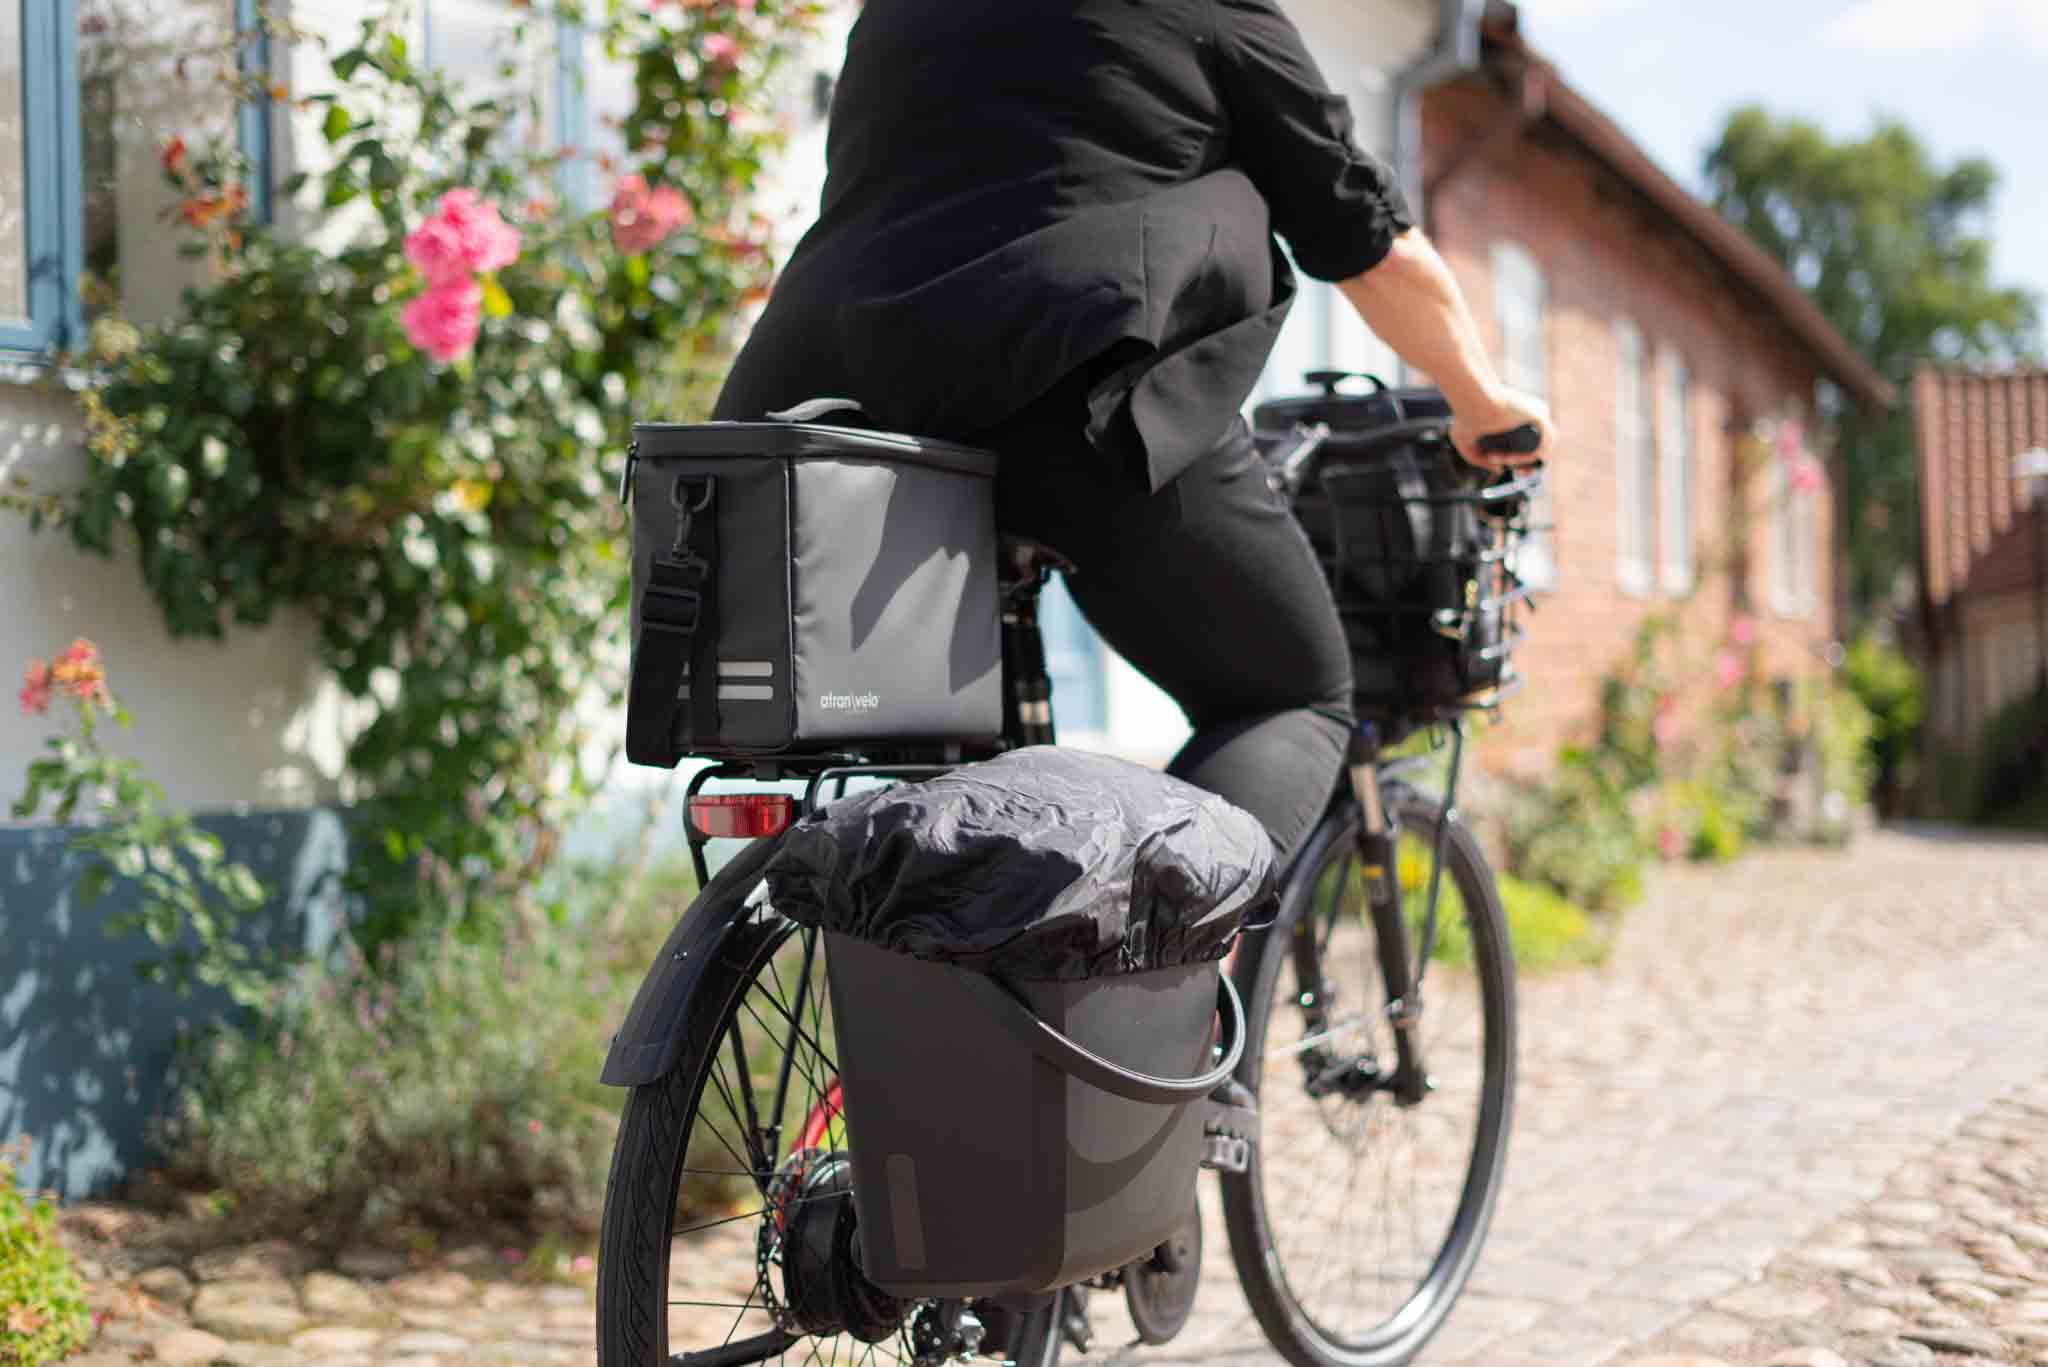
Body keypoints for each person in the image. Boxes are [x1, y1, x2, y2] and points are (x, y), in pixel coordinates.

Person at [713, 0, 1553, 862]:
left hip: (830, 413)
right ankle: (1153, 933)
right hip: (1070, 383)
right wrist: (1482, 402)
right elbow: (1364, 233)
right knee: (1291, 695)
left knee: (939, 759)